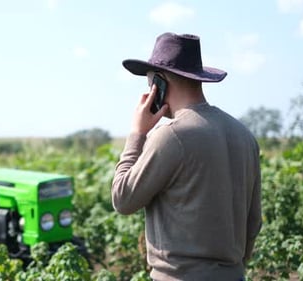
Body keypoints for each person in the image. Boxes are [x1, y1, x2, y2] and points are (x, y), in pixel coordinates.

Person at [111, 32, 262, 280]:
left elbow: (123, 198)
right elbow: (254, 221)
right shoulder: (244, 135)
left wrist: (137, 133)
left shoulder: (172, 136)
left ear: (159, 83)